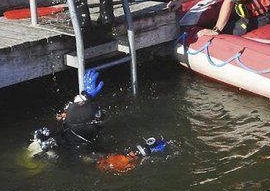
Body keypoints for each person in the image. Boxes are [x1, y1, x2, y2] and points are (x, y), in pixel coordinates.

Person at [27, 68, 167, 171]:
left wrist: (85, 96)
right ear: (89, 126)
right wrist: (144, 151)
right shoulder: (84, 152)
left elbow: (70, 112)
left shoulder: (68, 125)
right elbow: (113, 163)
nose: (102, 116)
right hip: (52, 163)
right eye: (98, 116)